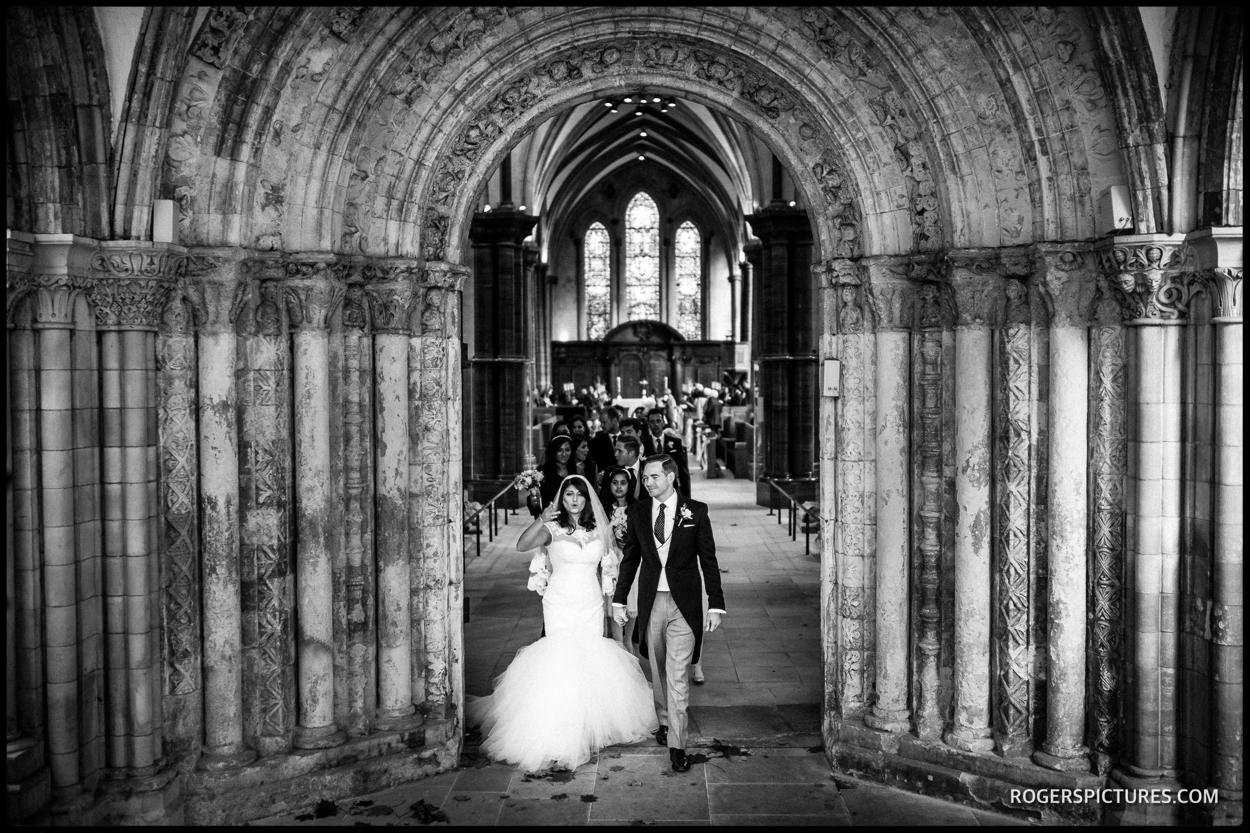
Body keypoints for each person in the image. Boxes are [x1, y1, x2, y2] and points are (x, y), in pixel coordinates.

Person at [468, 475, 656, 772]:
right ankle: (558, 723)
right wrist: (541, 520)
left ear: (587, 499)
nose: (575, 500)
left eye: (580, 495)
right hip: (560, 601)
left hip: (590, 601)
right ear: (562, 498)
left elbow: (611, 564)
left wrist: (613, 600)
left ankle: (588, 723)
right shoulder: (552, 529)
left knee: (590, 657)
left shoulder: (599, 529)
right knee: (560, 656)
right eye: (569, 494)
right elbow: (521, 545)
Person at [611, 455, 725, 773]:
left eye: (654, 477)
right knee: (658, 668)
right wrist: (620, 599)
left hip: (684, 603)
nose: (647, 483)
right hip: (651, 601)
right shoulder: (637, 512)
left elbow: (709, 559)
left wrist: (715, 603)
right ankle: (663, 720)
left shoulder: (696, 511)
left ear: (671, 477)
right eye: (645, 478)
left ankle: (677, 744)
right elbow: (631, 559)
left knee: (677, 675)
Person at [599, 466, 640, 653]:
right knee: (617, 635)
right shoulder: (604, 510)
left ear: (629, 485)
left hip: (633, 563)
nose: (619, 487)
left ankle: (629, 645)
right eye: (615, 483)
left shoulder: (637, 508)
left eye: (623, 483)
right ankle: (620, 649)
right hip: (612, 563)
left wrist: (630, 543)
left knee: (629, 627)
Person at [642, 407, 692, 498]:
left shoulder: (676, 442)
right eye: (652, 422)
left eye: (658, 421)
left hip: (672, 490)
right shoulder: (643, 443)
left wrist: (687, 498)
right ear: (648, 424)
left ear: (663, 422)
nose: (656, 424)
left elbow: (683, 472)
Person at [534, 434, 574, 513]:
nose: (564, 454)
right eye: (559, 450)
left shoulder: (577, 470)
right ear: (553, 451)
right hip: (550, 518)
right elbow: (536, 502)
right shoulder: (543, 471)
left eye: (567, 450)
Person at [590, 406, 622, 475]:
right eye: (601, 422)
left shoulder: (628, 437)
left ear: (614, 420)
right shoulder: (595, 442)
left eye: (604, 422)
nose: (601, 425)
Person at [613, 434, 644, 500]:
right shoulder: (611, 472)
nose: (615, 454)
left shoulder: (647, 468)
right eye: (615, 450)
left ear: (631, 453)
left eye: (620, 451)